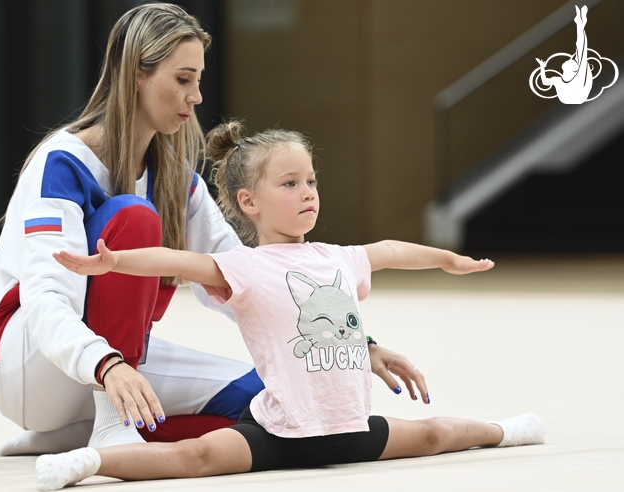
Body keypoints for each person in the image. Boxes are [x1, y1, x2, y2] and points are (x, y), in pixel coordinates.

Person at [0, 2, 427, 457]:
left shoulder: (176, 180)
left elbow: (249, 278)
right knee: (134, 219)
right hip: (28, 362)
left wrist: (356, 343)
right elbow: (45, 300)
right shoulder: (62, 163)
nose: (197, 97)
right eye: (183, 79)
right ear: (136, 75)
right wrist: (108, 365)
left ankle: (76, 434)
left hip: (111, 362)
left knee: (271, 404)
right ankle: (109, 420)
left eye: (198, 80)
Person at [40, 120, 546, 490]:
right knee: (192, 458)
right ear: (248, 203)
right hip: (279, 433)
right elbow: (177, 259)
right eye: (289, 184)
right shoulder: (243, 266)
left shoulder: (338, 257)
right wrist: (114, 262)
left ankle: (506, 432)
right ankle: (90, 463)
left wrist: (448, 261)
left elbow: (391, 250)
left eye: (310, 181)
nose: (307, 193)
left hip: (350, 429)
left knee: (436, 433)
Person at [535, 5, 592, 104]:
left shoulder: (579, 77)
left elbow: (581, 48)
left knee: (581, 50)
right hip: (570, 99)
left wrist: (580, 25)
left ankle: (580, 23)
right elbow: (545, 82)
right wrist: (542, 67)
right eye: (572, 60)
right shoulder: (558, 80)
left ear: (573, 69)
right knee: (580, 51)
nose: (569, 59)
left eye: (571, 61)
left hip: (577, 97)